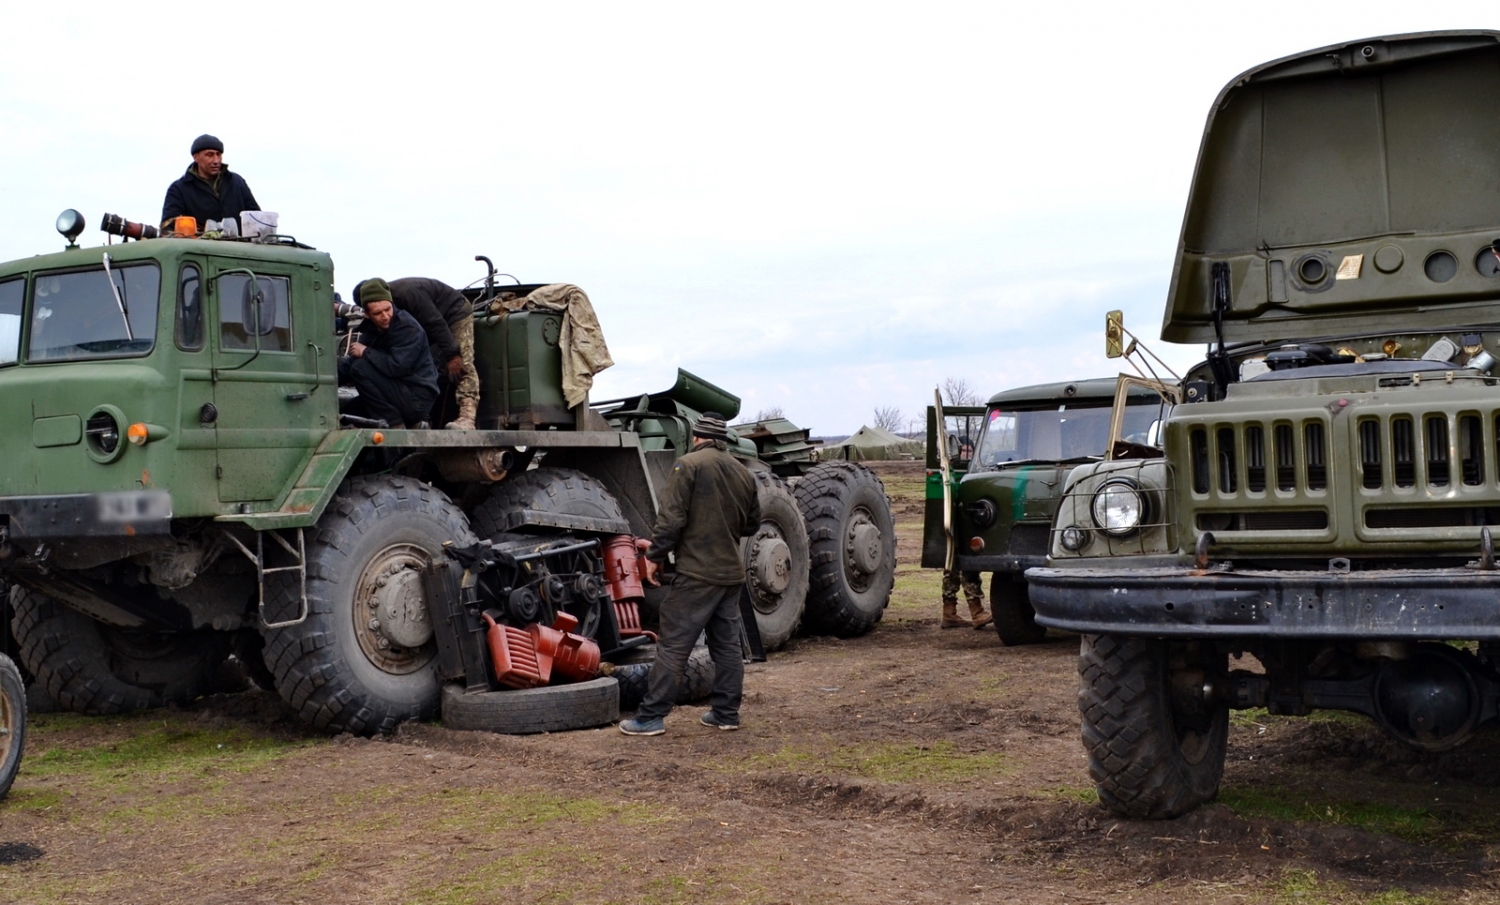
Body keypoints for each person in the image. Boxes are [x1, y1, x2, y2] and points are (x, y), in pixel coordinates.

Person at [619, 413, 760, 736]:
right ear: (721, 440)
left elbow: (670, 520)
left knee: (673, 645)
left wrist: (653, 557)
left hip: (696, 575)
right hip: (730, 575)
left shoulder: (688, 465)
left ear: (696, 436)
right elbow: (752, 524)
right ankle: (726, 714)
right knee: (726, 647)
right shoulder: (743, 473)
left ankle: (650, 717)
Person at [354, 277, 479, 430]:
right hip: (426, 322)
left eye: (386, 309)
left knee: (463, 362)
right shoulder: (389, 313)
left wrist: (452, 355)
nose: (384, 315)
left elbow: (435, 322)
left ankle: (467, 417)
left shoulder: (408, 294)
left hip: (453, 312)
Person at [337, 278, 439, 429]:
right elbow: (350, 363)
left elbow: (398, 366)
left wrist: (366, 351)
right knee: (350, 412)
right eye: (378, 313)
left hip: (416, 397)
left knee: (360, 368)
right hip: (396, 391)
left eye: (388, 309)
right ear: (367, 314)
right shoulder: (371, 329)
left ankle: (395, 424)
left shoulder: (408, 328)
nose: (385, 316)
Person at [161, 134, 261, 230]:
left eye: (218, 154)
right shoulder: (179, 189)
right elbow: (169, 226)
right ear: (196, 157)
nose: (216, 160)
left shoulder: (237, 182)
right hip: (199, 247)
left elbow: (256, 217)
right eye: (209, 155)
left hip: (238, 245)